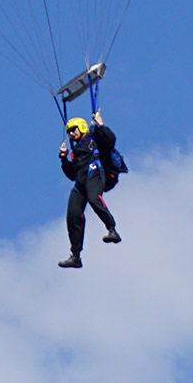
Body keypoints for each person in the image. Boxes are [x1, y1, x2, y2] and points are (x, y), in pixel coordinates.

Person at [57, 110, 121, 268]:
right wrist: (64, 159)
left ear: (81, 127)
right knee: (73, 215)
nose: (71, 133)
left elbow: (111, 140)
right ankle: (75, 256)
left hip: (95, 174)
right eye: (69, 131)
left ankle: (112, 230)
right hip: (80, 183)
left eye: (74, 129)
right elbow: (72, 174)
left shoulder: (95, 140)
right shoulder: (77, 150)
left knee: (94, 199)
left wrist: (101, 126)